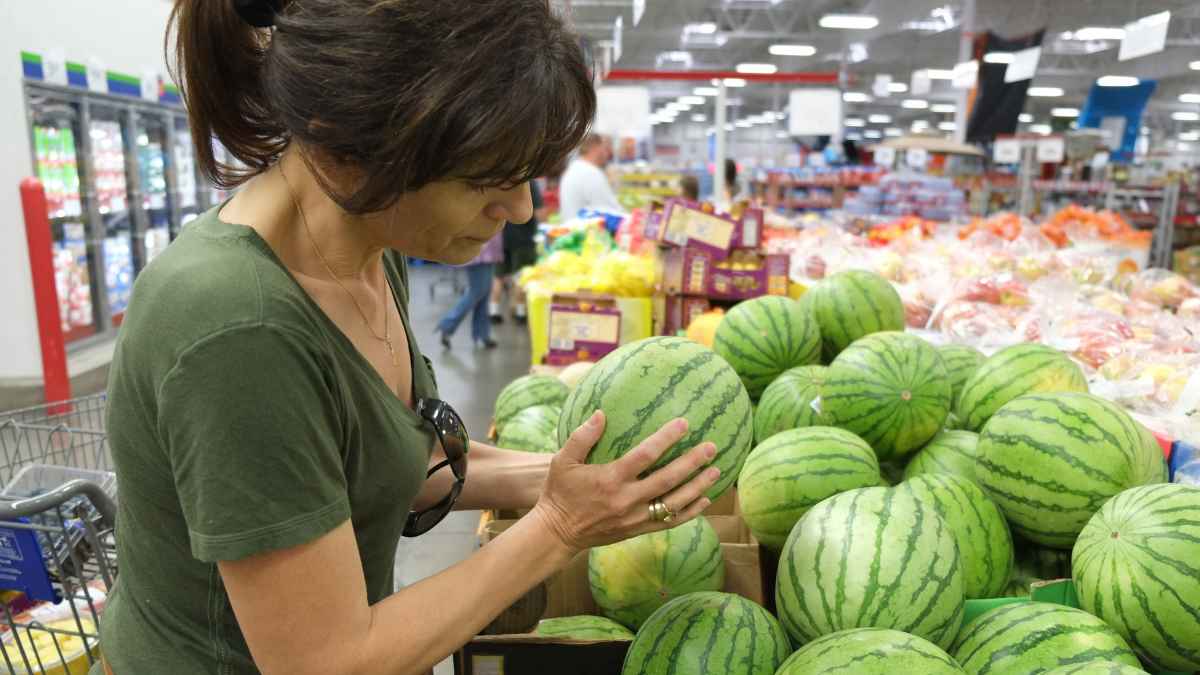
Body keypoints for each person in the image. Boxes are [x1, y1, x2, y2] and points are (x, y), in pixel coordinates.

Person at [96, 2, 720, 674]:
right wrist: (561, 526)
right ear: (351, 149)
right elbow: (327, 661)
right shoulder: (237, 327)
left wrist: (577, 479)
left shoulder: (369, 244)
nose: (520, 210)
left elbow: (399, 460)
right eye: (487, 179)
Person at [490, 180, 547, 325]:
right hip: (523, 238)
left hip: (501, 235)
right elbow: (539, 211)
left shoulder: (501, 179)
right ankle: (520, 313)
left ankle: (493, 311)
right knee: (521, 275)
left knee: (498, 275)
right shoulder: (529, 183)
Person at [438, 232, 502, 349]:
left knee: (484, 294)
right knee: (476, 292)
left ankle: (482, 334)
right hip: (480, 249)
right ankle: (447, 324)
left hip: (488, 249)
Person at [557, 133, 623, 220]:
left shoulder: (574, 168)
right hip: (583, 231)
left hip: (573, 228)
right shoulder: (591, 173)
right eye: (605, 148)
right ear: (596, 148)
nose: (607, 154)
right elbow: (610, 211)